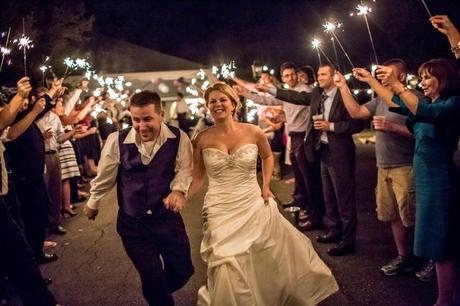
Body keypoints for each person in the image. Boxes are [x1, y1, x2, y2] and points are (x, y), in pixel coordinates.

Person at [187, 83, 338, 305]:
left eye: (222, 100)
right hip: (219, 206)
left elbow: (267, 157)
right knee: (225, 257)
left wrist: (266, 186)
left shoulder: (253, 131)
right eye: (212, 101)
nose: (218, 105)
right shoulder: (201, 139)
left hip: (250, 199)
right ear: (207, 106)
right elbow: (198, 176)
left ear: (233, 103)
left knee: (258, 252)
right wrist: (182, 196)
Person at [353, 58, 460, 306]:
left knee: (443, 243)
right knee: (434, 241)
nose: (421, 82)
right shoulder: (425, 102)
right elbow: (394, 102)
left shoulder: (451, 105)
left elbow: (428, 113)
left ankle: (444, 301)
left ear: (444, 79)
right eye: (420, 77)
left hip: (440, 181)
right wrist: (371, 81)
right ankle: (444, 297)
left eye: (427, 78)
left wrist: (398, 86)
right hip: (423, 179)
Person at [83, 90, 194, 306]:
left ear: (161, 115)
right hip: (133, 226)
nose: (141, 126)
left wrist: (178, 190)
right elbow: (105, 176)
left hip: (167, 221)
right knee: (151, 278)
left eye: (147, 119)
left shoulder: (179, 138)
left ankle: (159, 292)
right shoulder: (116, 140)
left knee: (183, 271)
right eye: (136, 119)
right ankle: (159, 296)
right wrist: (93, 202)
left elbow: (185, 170)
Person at [258, 63, 364, 256]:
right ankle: (333, 231)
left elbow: (358, 124)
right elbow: (297, 97)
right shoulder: (317, 93)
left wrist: (330, 126)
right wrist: (272, 90)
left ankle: (348, 241)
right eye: (318, 74)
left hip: (340, 152)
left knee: (344, 198)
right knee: (329, 195)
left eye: (323, 74)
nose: (319, 77)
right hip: (321, 150)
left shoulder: (345, 96)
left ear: (334, 76)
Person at [335, 59, 417, 275]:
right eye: (381, 74)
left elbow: (421, 134)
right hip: (384, 166)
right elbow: (356, 112)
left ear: (401, 77)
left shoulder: (412, 98)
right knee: (393, 216)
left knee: (413, 216)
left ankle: (428, 259)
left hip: (405, 166)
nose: (383, 77)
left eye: (387, 73)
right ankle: (404, 257)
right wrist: (343, 87)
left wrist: (392, 127)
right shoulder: (380, 98)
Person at [0, 77, 59, 306]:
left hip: (9, 187)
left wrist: (50, 94)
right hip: (19, 180)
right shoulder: (19, 113)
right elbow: (9, 129)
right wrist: (20, 98)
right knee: (20, 253)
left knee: (18, 252)